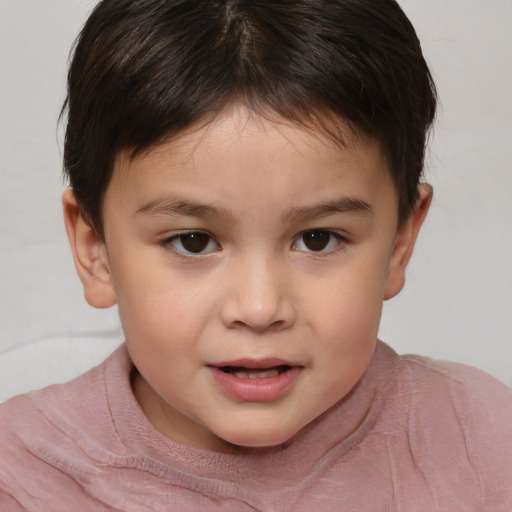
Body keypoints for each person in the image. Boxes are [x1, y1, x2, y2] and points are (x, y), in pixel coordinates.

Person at [1, 0, 510, 510]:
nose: (261, 308)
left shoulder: (485, 442)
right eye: (193, 241)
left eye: (318, 239)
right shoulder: (22, 479)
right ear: (97, 251)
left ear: (400, 241)